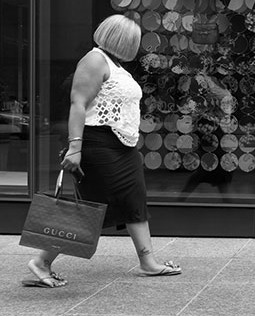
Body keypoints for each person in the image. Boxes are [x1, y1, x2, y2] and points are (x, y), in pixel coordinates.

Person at [24, 15, 181, 288]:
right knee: (87, 210)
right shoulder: (95, 59)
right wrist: (75, 146)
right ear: (121, 39)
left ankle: (148, 262)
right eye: (133, 39)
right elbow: (78, 103)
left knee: (134, 203)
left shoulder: (115, 64)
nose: (136, 44)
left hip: (123, 148)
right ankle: (41, 261)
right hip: (98, 144)